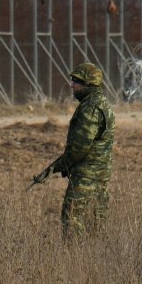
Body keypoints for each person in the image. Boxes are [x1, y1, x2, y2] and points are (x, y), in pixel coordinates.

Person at [49, 63, 115, 238]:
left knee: (71, 217)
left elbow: (80, 147)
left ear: (89, 84)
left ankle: (74, 258)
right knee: (95, 223)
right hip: (99, 174)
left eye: (76, 81)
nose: (72, 85)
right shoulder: (100, 103)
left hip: (87, 175)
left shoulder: (91, 107)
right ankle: (92, 257)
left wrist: (61, 164)